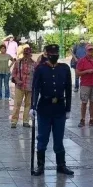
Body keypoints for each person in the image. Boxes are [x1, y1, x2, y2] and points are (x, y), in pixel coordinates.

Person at [30, 44, 74, 176]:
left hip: (59, 107)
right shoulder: (40, 69)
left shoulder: (64, 68)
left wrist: (68, 109)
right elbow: (36, 88)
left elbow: (68, 89)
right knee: (42, 137)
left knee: (59, 138)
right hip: (44, 107)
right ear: (46, 54)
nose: (54, 55)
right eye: (51, 53)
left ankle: (61, 165)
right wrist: (33, 106)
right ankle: (40, 166)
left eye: (56, 53)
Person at [76, 44, 93, 127]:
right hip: (85, 84)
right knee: (84, 102)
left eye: (91, 50)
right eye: (89, 50)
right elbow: (77, 73)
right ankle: (82, 119)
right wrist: (87, 71)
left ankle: (92, 119)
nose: (90, 51)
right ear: (86, 51)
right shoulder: (82, 61)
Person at [10, 47, 36, 129]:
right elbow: (14, 73)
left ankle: (26, 121)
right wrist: (17, 80)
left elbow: (36, 76)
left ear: (30, 54)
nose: (26, 56)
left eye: (27, 54)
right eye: (25, 54)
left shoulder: (34, 64)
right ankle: (14, 121)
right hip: (19, 86)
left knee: (28, 104)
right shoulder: (18, 62)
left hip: (30, 86)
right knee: (17, 104)